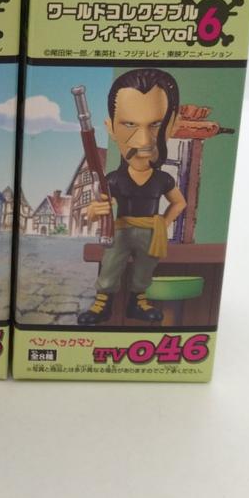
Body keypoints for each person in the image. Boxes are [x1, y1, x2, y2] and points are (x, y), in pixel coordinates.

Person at [79, 68, 186, 325]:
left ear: (173, 124)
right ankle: (102, 301)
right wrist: (95, 211)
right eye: (129, 124)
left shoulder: (162, 179)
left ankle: (138, 300)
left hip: (150, 231)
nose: (142, 140)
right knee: (111, 263)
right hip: (121, 229)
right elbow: (99, 206)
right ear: (111, 128)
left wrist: (162, 223)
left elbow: (179, 202)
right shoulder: (115, 179)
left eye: (156, 124)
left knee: (145, 266)